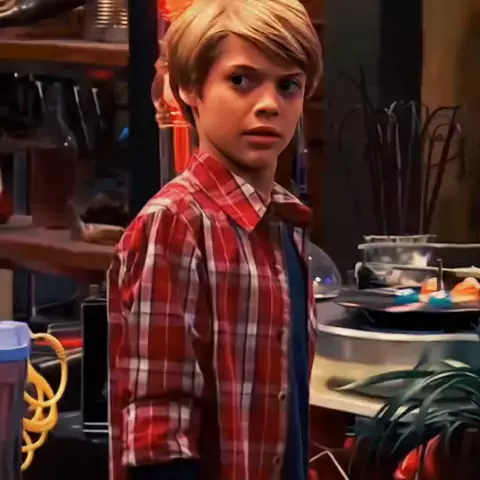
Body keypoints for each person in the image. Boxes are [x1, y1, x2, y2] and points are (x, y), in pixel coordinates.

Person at [107, 0, 323, 479]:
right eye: (241, 80)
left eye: (288, 85)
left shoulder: (284, 226)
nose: (269, 104)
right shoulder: (176, 224)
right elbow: (159, 430)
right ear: (191, 88)